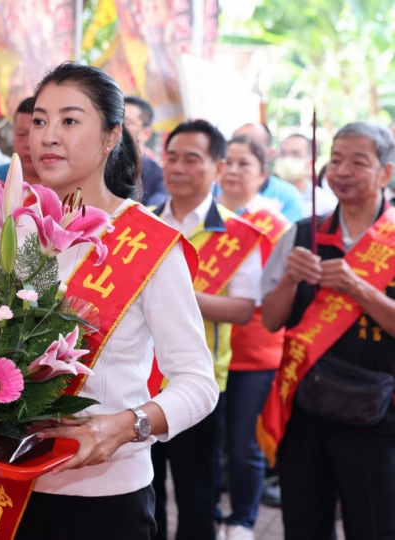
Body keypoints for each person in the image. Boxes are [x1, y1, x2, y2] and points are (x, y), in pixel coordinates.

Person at [0, 62, 218, 540]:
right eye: (40, 121)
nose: (48, 136)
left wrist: (127, 426)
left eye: (69, 121)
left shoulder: (152, 246)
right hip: (8, 479)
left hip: (106, 495)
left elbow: (198, 382)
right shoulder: (9, 231)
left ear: (111, 137)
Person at [259, 121, 395, 540]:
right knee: (303, 524)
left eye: (359, 161)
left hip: (378, 418)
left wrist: (357, 287)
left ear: (386, 173)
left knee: (374, 527)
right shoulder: (302, 233)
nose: (343, 170)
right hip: (306, 411)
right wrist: (290, 281)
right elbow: (270, 320)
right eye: (336, 160)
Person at [150, 120, 264, 540]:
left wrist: (171, 294)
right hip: (140, 378)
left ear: (218, 168)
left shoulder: (238, 234)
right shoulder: (143, 224)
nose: (178, 168)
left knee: (197, 488)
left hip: (196, 382)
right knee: (147, 486)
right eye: (172, 157)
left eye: (191, 159)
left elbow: (242, 309)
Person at [213, 136, 291, 540]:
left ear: (263, 175)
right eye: (227, 162)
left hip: (253, 351)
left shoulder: (274, 227)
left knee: (243, 442)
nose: (234, 171)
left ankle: (243, 518)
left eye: (245, 164)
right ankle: (208, 510)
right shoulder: (208, 217)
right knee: (209, 441)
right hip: (209, 351)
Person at [233, 123, 303, 224]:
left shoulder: (289, 197)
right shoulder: (211, 194)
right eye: (237, 142)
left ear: (270, 154)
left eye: (253, 147)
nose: (242, 150)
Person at [0, 97, 39, 193]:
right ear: (12, 134)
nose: (28, 144)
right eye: (21, 134)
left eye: (35, 136)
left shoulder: (64, 181)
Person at [276, 133, 337, 217]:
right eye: (283, 153)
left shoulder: (326, 203)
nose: (287, 159)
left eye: (295, 154)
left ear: (310, 162)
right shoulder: (262, 198)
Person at [124, 96, 167, 206]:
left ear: (146, 133)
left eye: (127, 122)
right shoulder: (98, 167)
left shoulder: (160, 179)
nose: (118, 127)